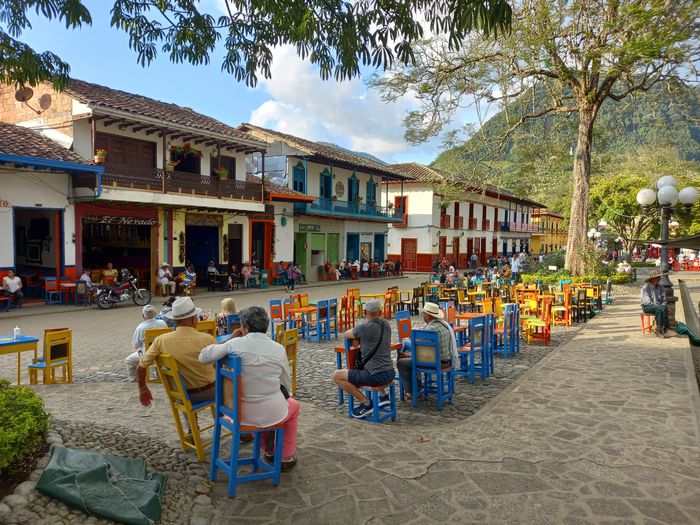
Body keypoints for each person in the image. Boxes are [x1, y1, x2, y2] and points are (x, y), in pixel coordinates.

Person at [199, 306, 299, 470]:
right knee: (291, 406)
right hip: (271, 413)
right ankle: (284, 456)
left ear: (245, 327)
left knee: (266, 409)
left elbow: (203, 357)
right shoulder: (278, 349)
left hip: (238, 413)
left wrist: (230, 339)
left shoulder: (234, 345)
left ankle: (269, 449)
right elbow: (287, 386)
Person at [136, 297, 216, 407]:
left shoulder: (160, 340)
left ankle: (190, 419)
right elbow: (219, 363)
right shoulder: (207, 339)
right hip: (210, 392)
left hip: (181, 396)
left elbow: (140, 368)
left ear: (175, 320)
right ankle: (225, 416)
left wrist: (142, 388)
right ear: (194, 319)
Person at [332, 299, 394, 418]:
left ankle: (366, 403)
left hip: (376, 376)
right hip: (389, 372)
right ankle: (383, 395)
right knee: (374, 363)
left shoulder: (363, 329)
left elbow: (346, 333)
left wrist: (356, 337)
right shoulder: (386, 324)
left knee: (337, 376)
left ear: (365, 312)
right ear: (380, 312)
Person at [397, 302, 458, 396]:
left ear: (428, 316)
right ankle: (409, 358)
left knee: (402, 362)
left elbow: (417, 345)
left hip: (435, 362)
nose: (422, 316)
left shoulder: (430, 330)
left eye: (423, 314)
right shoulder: (444, 325)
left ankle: (414, 391)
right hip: (447, 360)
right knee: (409, 352)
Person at [124, 305, 168, 381]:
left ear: (143, 316)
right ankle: (159, 377)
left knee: (129, 361)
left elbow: (136, 345)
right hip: (162, 352)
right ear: (155, 313)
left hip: (148, 355)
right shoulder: (163, 323)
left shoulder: (140, 327)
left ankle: (135, 381)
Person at [641, 270, 674, 338]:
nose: (659, 279)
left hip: (659, 307)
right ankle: (666, 328)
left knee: (660, 310)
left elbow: (664, 300)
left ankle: (659, 330)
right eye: (657, 277)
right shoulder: (645, 288)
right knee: (661, 308)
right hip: (647, 306)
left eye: (659, 277)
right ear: (653, 279)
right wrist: (661, 306)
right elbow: (647, 302)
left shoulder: (661, 287)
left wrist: (662, 306)